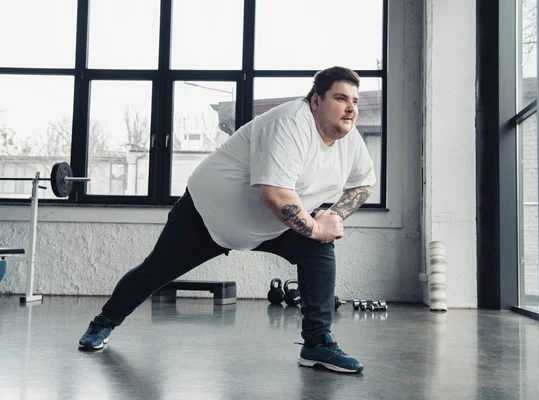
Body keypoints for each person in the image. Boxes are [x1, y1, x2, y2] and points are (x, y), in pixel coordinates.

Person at [78, 66, 376, 374]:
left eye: (354, 100)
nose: (351, 107)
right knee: (154, 272)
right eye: (341, 98)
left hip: (271, 224)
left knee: (319, 248)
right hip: (207, 216)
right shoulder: (289, 124)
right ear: (316, 101)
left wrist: (332, 218)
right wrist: (314, 227)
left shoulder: (349, 139)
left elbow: (364, 182)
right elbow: (275, 194)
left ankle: (318, 344)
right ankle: (103, 323)